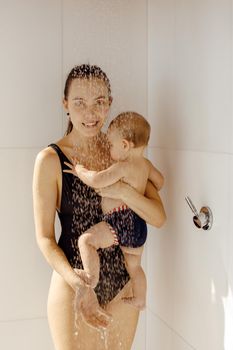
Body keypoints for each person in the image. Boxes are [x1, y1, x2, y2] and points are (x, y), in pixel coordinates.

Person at [32, 64, 166, 350]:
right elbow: (44, 238)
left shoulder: (123, 153)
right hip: (74, 282)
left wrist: (122, 191)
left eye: (99, 102)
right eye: (79, 103)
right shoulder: (51, 160)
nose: (90, 113)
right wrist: (80, 284)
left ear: (110, 104)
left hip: (122, 287)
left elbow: (158, 216)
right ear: (65, 104)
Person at [64, 111, 164, 311]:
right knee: (134, 268)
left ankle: (91, 279)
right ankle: (140, 299)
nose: (109, 148)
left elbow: (97, 180)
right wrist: (143, 183)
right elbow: (160, 181)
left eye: (111, 145)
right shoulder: (145, 165)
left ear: (125, 145)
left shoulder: (122, 166)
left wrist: (80, 171)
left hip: (119, 221)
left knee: (86, 241)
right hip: (138, 226)